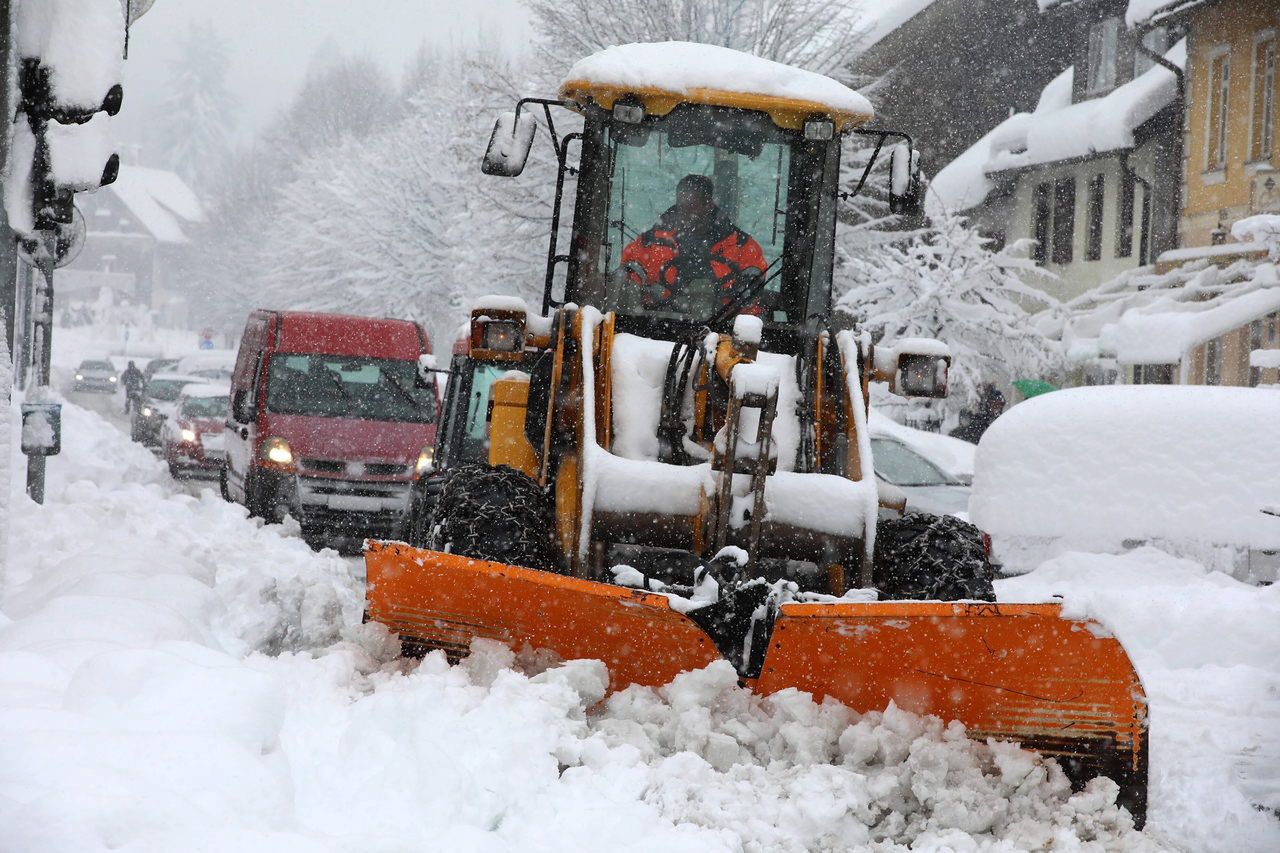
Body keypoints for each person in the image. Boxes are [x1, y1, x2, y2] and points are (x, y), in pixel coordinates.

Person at [621, 174, 767, 313]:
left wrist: (734, 297)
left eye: (692, 206)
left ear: (708, 204)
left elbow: (751, 305)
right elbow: (627, 278)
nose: (685, 213)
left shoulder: (742, 247)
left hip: (721, 330)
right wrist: (640, 291)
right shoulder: (649, 243)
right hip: (653, 329)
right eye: (682, 206)